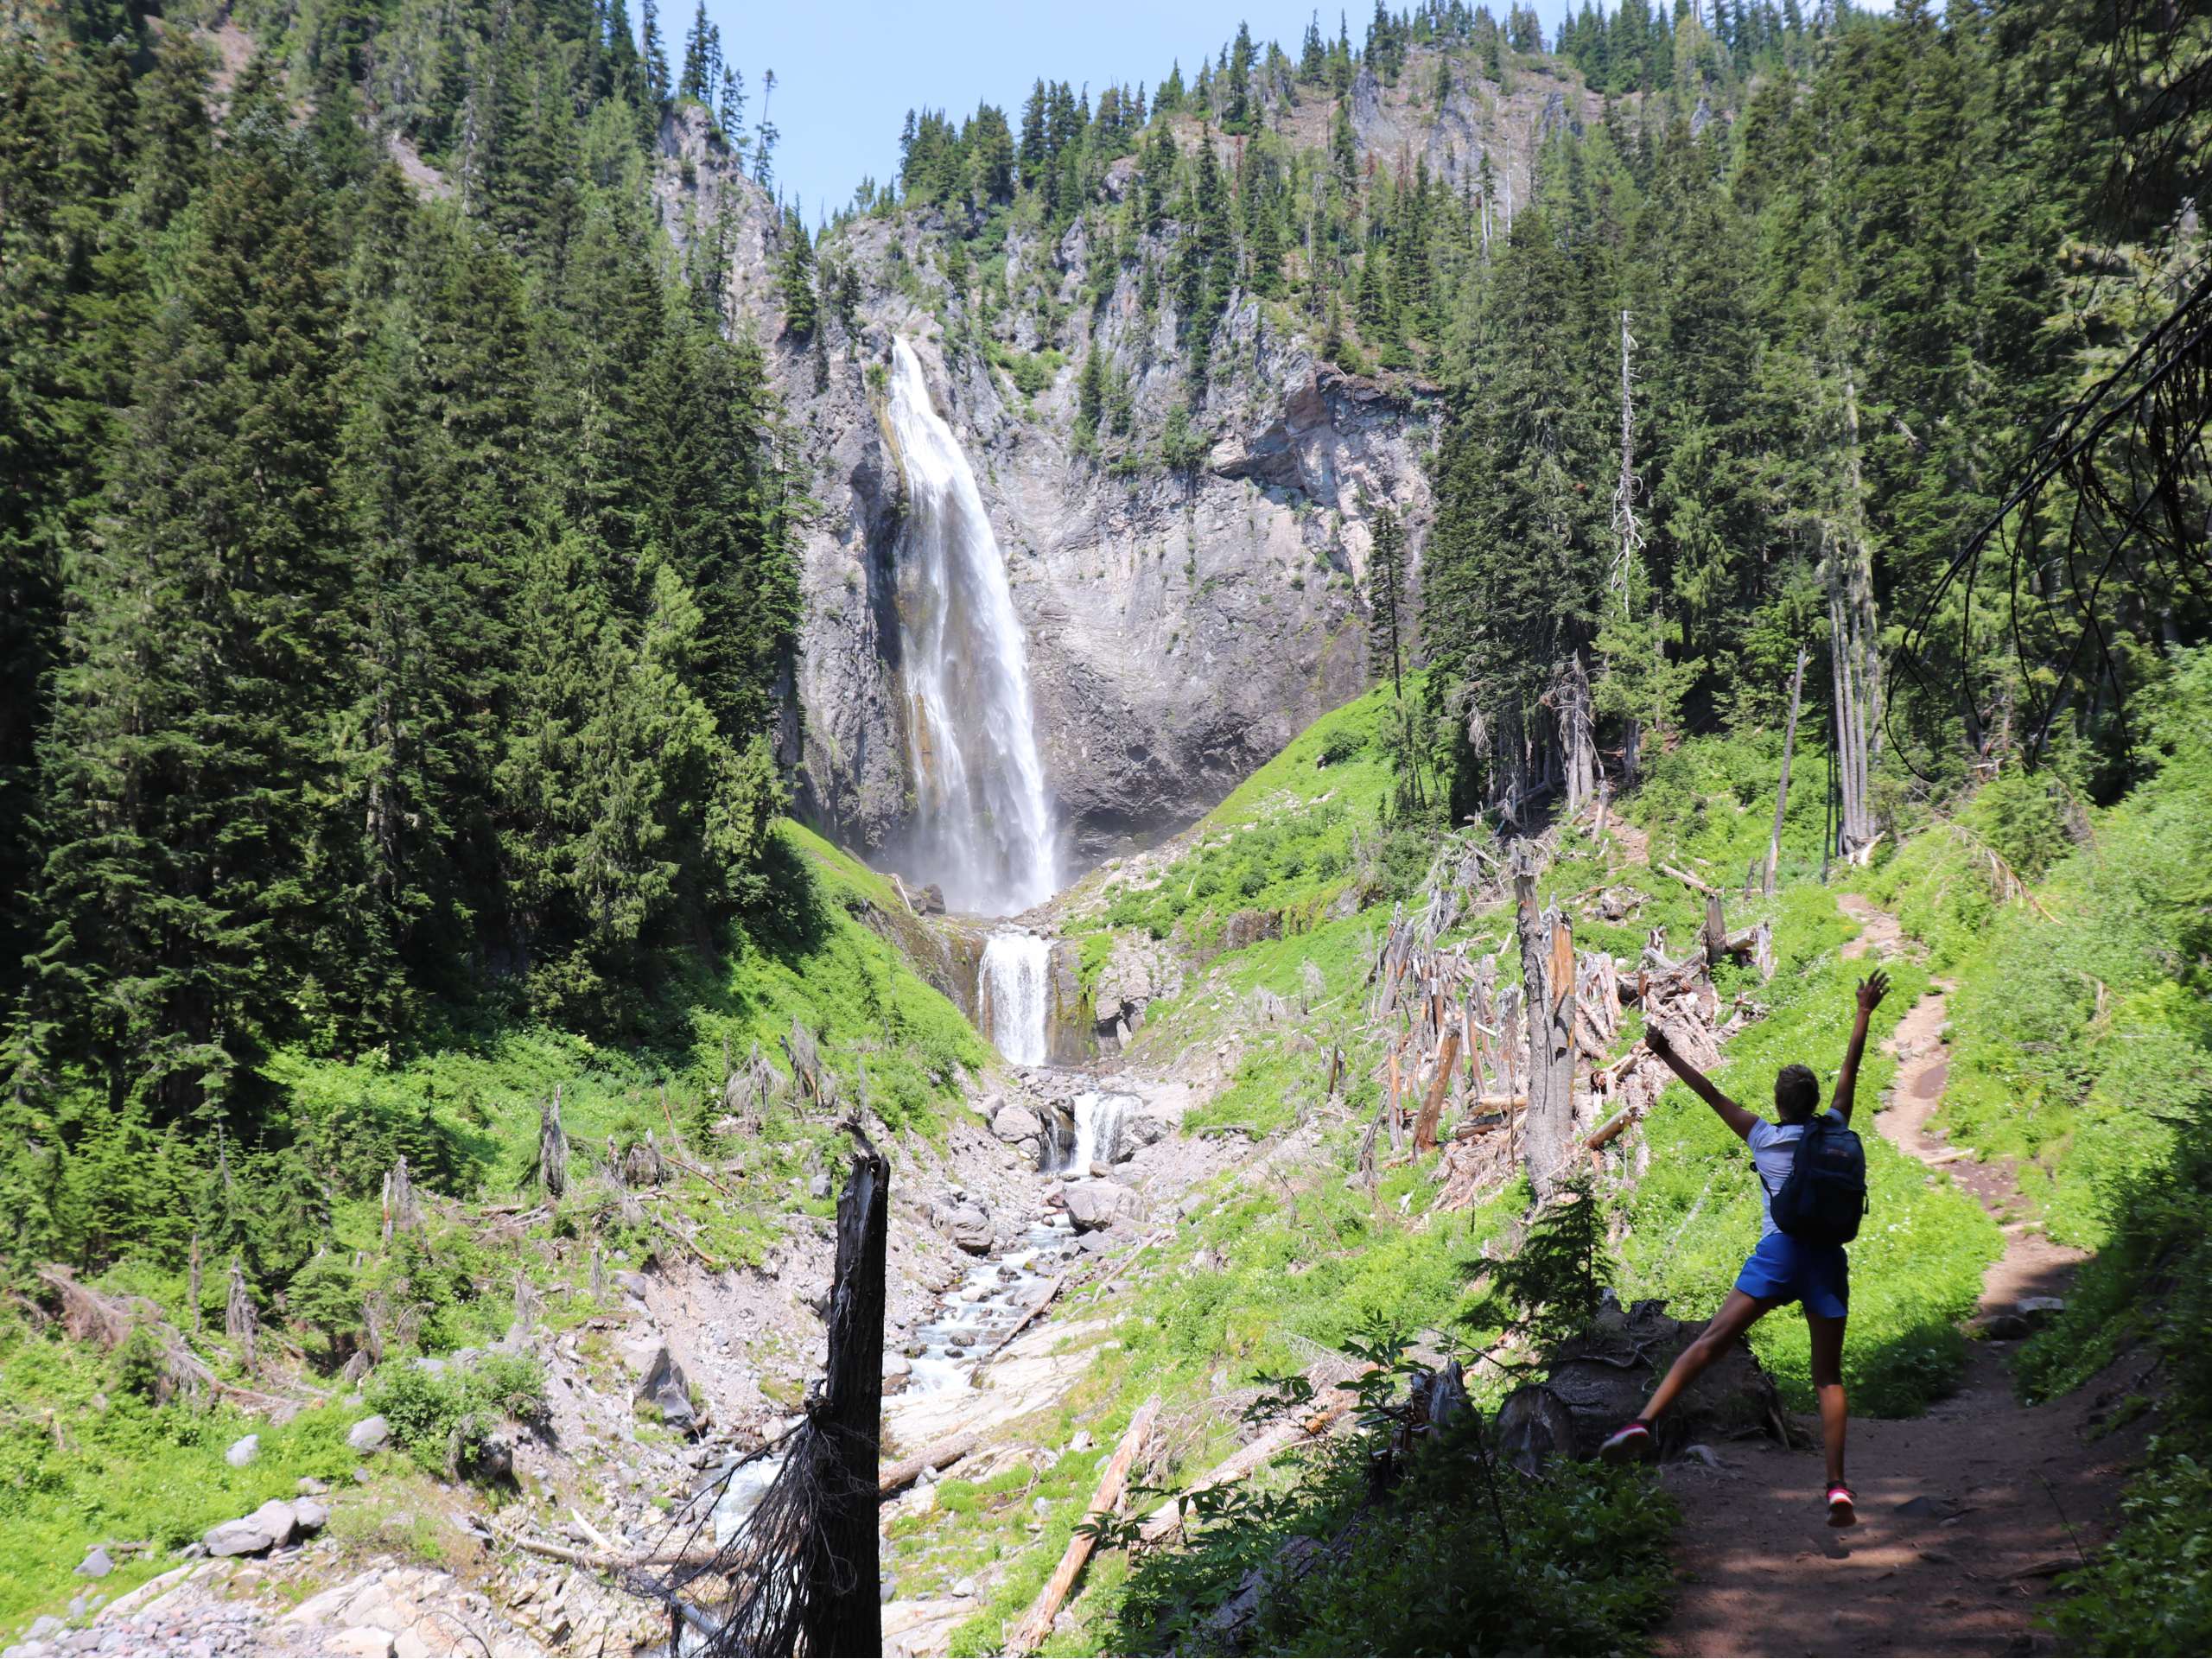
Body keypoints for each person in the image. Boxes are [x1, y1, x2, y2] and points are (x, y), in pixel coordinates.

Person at [1599, 968, 1891, 1528]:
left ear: (1780, 1105)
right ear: (1812, 1103)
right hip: (1826, 1260)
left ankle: (1643, 1422)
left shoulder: (1762, 1135)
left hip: (1778, 1255)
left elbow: (1709, 1092)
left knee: (1709, 1343)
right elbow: (1850, 1071)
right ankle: (1836, 1487)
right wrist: (1863, 1012)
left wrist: (1663, 1051)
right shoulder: (1833, 1127)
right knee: (1828, 1377)